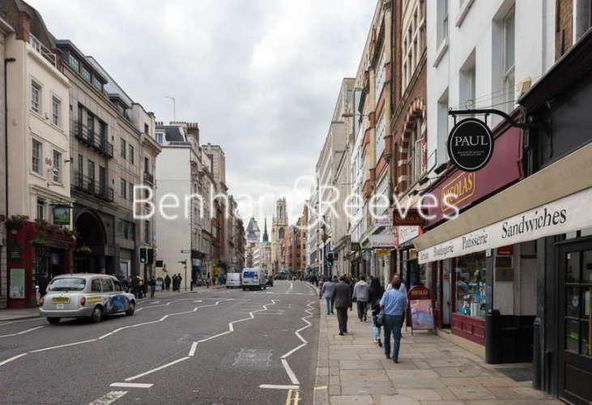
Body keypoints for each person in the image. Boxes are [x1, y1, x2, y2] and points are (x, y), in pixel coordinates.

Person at [380, 278, 408, 363]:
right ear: (400, 286)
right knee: (397, 338)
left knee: (387, 336)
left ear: (391, 285)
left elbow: (381, 305)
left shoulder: (386, 293)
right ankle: (395, 356)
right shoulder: (402, 296)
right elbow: (404, 308)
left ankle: (387, 353)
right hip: (397, 317)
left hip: (387, 316)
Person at [368, 277, 385, 346]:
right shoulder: (382, 289)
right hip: (381, 308)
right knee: (379, 324)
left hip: (374, 308)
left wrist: (368, 306)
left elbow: (369, 300)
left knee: (374, 324)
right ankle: (377, 337)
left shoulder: (371, 289)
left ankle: (376, 337)